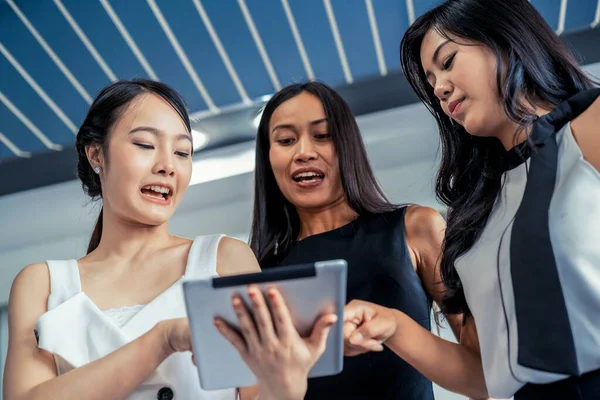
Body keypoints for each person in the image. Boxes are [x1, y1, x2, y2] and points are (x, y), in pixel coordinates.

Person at [2, 79, 336, 400]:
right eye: (145, 145)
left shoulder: (223, 259)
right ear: (96, 155)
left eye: (182, 152)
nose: (168, 166)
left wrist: (288, 386)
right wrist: (161, 340)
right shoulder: (43, 283)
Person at [343, 1, 600, 399]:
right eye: (431, 82)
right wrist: (393, 325)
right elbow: (484, 374)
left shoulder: (589, 128)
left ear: (505, 39)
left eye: (448, 62)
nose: (439, 89)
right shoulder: (475, 212)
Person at [248, 81, 462, 400]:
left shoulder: (415, 227)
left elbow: (481, 366)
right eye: (285, 140)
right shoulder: (257, 271)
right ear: (268, 157)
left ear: (347, 144)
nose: (304, 152)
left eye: (322, 136)